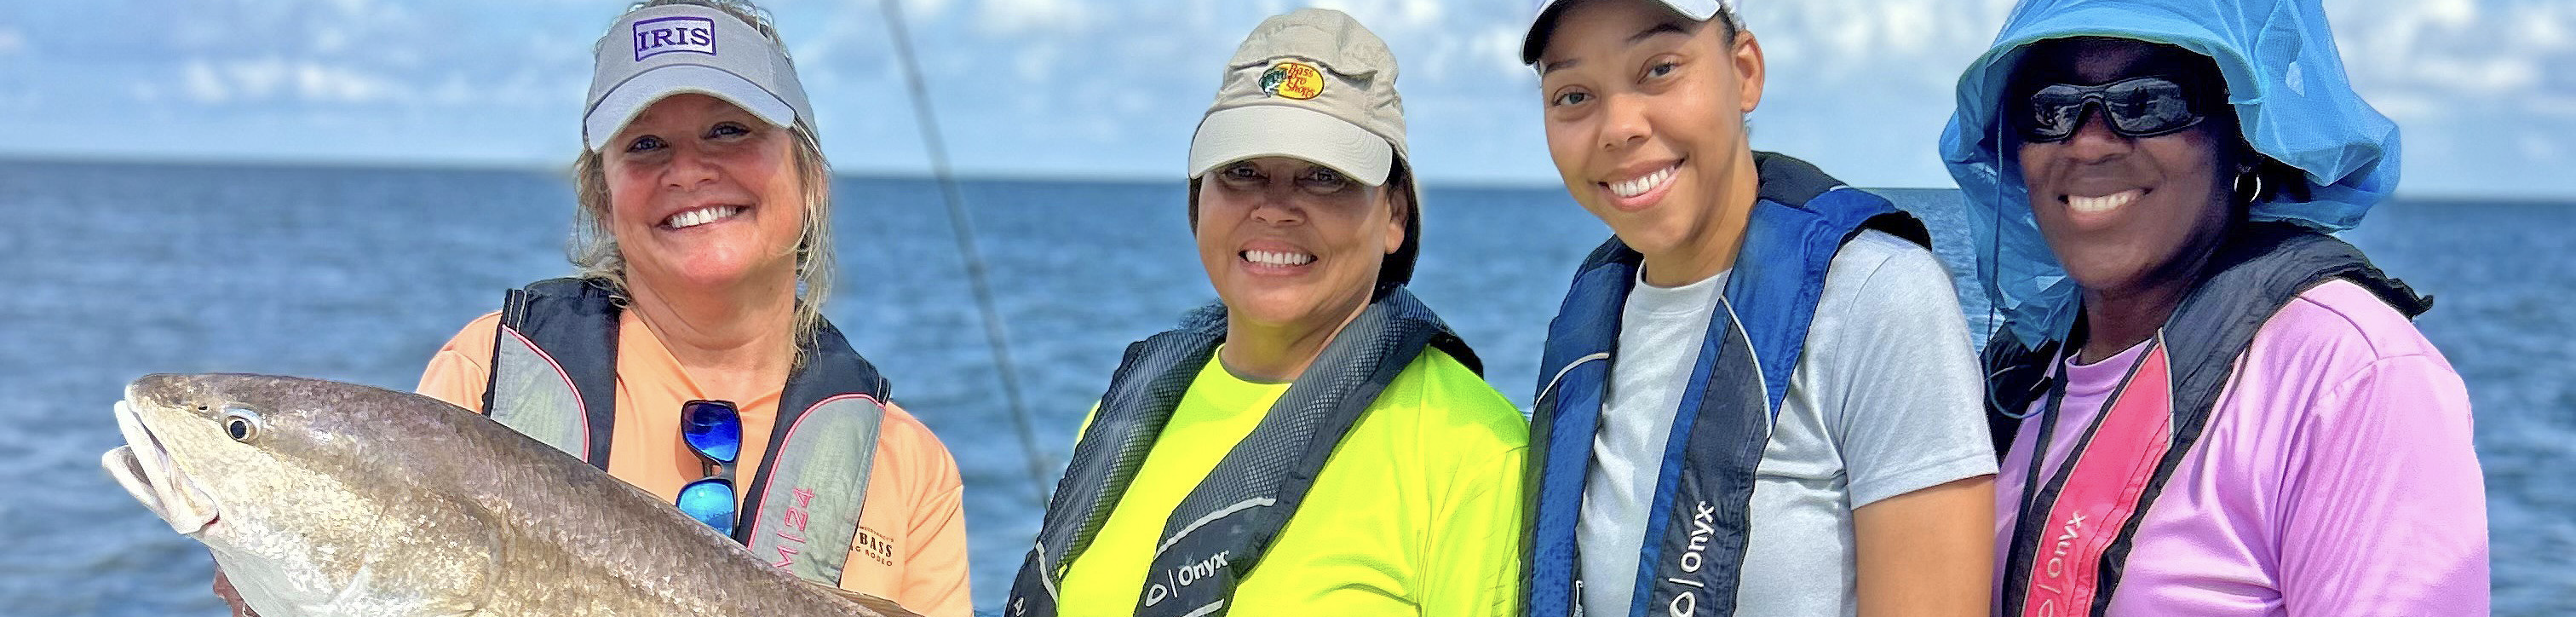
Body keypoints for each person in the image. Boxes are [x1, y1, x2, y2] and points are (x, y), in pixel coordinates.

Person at [206, 2, 974, 616]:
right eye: (645, 146)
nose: (690, 170)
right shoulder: (488, 371)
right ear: (599, 198)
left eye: (729, 130)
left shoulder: (910, 466)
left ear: (811, 179)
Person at [1941, 0, 2490, 614]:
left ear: (2245, 137)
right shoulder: (2018, 374)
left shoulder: (2351, 376)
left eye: (2148, 101)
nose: (2088, 143)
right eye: (2049, 109)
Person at [1003, 9, 1527, 617]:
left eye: (1325, 177)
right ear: (1199, 199)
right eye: (1242, 172)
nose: (1275, 209)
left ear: (1395, 216)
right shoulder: (1122, 419)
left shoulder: (1475, 451)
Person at [1518, 1, 1998, 615]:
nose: (1619, 126)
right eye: (1573, 95)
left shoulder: (1878, 298)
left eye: (1659, 68)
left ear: (1744, 72)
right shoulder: (1590, 324)